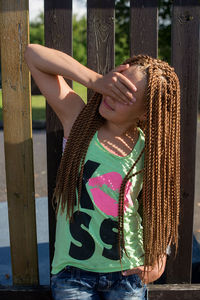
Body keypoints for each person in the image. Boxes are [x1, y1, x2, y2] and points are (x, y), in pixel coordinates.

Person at [24, 44, 180, 300]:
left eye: (124, 94)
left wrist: (159, 255)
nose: (111, 95)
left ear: (145, 112)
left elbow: (157, 205)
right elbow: (33, 54)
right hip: (73, 274)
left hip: (127, 274)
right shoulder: (77, 121)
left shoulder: (148, 151)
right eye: (114, 85)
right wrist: (95, 80)